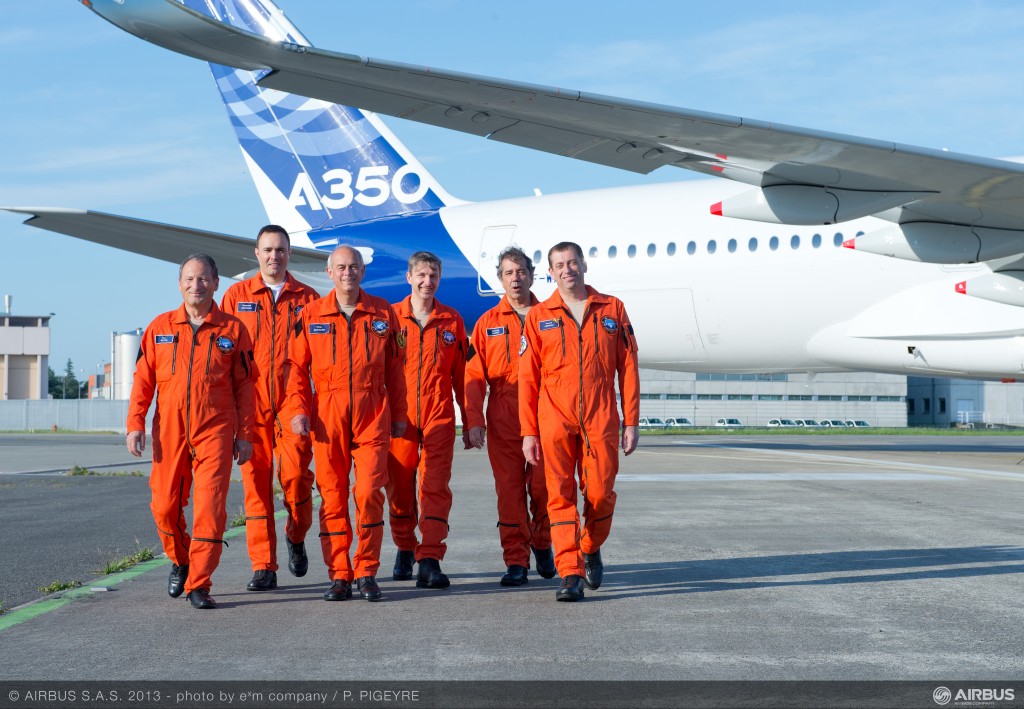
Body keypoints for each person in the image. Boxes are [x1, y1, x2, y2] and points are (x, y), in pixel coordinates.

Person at [126, 253, 256, 610]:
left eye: (203, 279)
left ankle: (199, 583)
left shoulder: (233, 330)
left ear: (216, 284)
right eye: (189, 279)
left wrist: (245, 434)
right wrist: (135, 424)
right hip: (169, 428)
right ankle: (181, 559)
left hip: (215, 427)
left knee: (210, 507)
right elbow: (143, 381)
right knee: (164, 506)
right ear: (179, 284)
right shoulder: (160, 327)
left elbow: (246, 387)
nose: (196, 285)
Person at [284, 245, 406, 602]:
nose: (347, 273)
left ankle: (366, 571)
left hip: (373, 411)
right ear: (329, 272)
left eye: (353, 267)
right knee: (333, 496)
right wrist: (298, 409)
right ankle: (339, 574)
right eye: (341, 267)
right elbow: (296, 369)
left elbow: (397, 370)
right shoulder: (311, 314)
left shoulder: (383, 312)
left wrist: (400, 415)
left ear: (363, 271)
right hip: (328, 412)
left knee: (368, 492)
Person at [519, 241, 639, 602]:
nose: (567, 269)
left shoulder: (612, 308)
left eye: (572, 262)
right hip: (554, 417)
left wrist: (631, 421)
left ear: (584, 266)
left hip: (600, 417)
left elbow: (628, 366)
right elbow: (528, 378)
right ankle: (569, 572)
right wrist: (528, 432)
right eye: (559, 265)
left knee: (601, 494)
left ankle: (590, 546)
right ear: (550, 273)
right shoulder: (538, 316)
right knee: (559, 496)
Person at [221, 225, 319, 592]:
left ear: (289, 254)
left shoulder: (308, 298)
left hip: (294, 401)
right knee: (255, 485)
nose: (274, 256)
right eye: (267, 249)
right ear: (257, 253)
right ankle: (263, 565)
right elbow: (223, 353)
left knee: (295, 478)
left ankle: (296, 534)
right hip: (250, 403)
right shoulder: (236, 296)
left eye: (280, 249)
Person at [465, 246, 555, 586]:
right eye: (508, 273)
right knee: (509, 492)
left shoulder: (550, 316)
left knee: (545, 488)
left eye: (521, 272)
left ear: (532, 275)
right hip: (503, 415)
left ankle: (543, 543)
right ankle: (516, 560)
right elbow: (473, 377)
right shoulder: (487, 323)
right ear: (500, 279)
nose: (515, 278)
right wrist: (474, 420)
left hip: (545, 413)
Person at [387, 251, 468, 589]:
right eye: (421, 275)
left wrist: (471, 419)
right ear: (409, 277)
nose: (427, 281)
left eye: (433, 275)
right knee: (399, 489)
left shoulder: (452, 320)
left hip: (438, 416)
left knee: (434, 487)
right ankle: (405, 546)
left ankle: (430, 557)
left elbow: (463, 375)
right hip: (399, 419)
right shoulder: (390, 318)